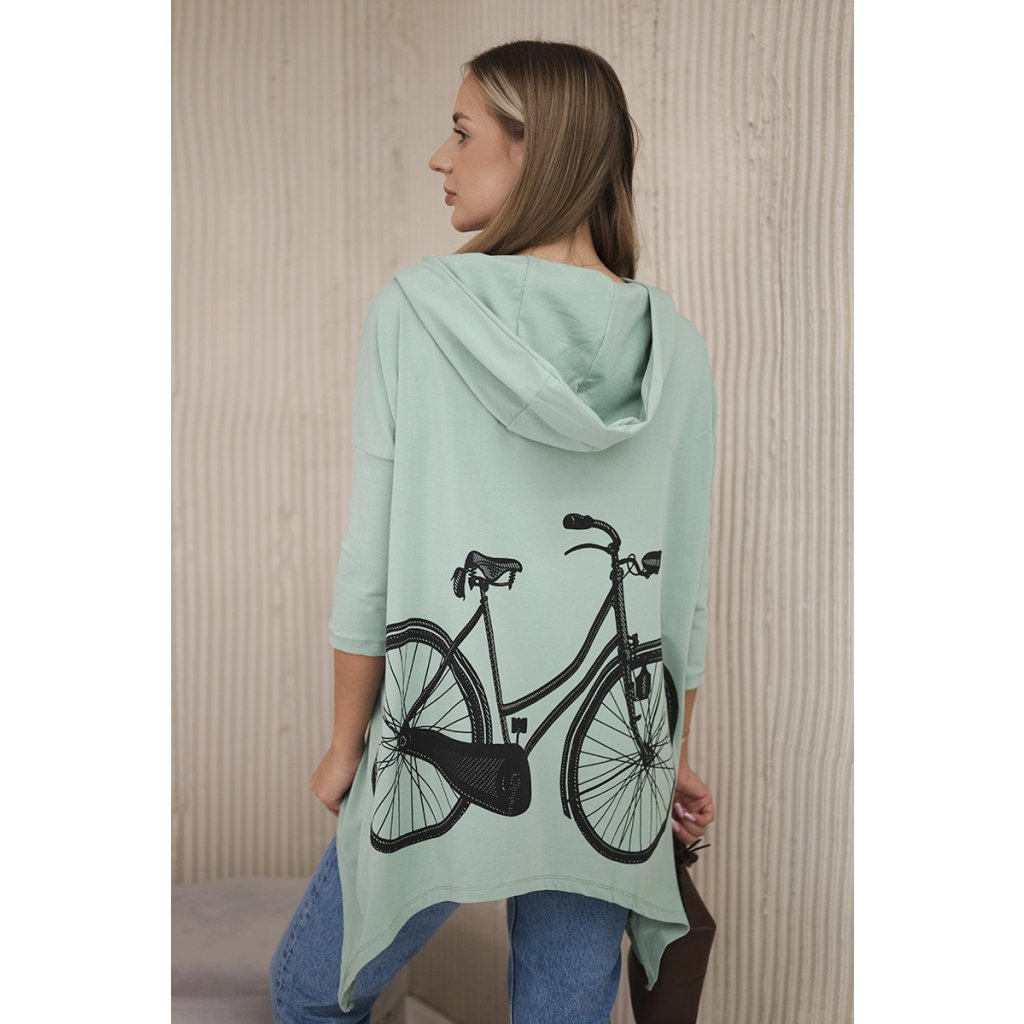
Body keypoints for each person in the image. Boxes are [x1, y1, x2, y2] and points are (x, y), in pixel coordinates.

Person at [270, 39, 718, 1024]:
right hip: (624, 750)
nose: (441, 157)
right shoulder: (677, 352)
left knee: (311, 992)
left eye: (463, 131)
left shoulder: (415, 315)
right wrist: (674, 752)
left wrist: (345, 744)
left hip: (434, 743)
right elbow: (682, 591)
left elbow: (371, 561)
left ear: (533, 148)